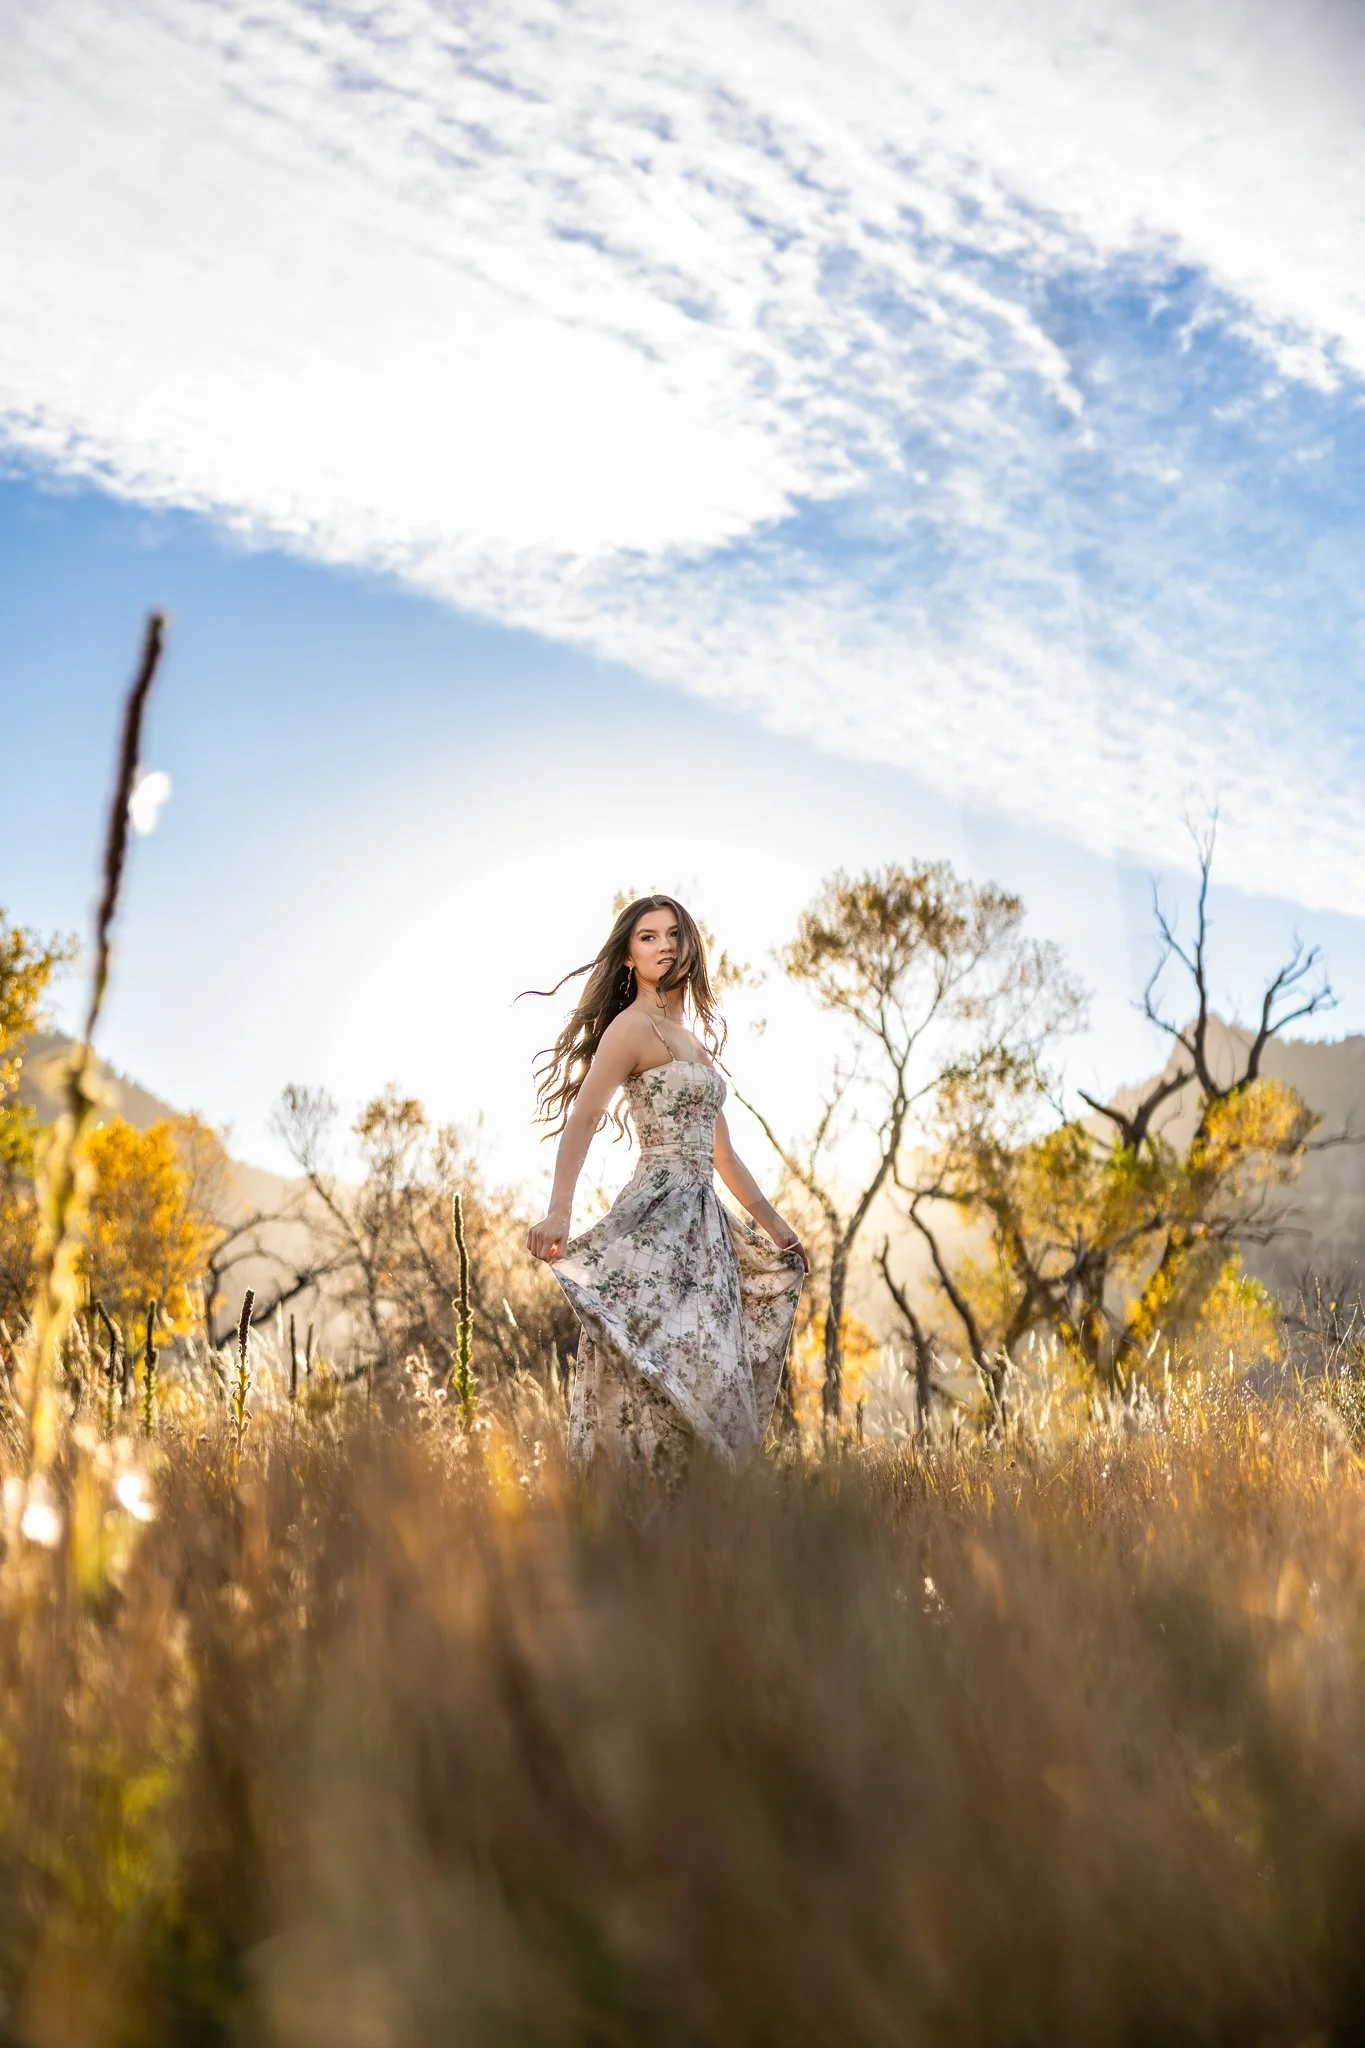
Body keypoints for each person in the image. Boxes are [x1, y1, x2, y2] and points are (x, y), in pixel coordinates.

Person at [526, 894, 808, 1479]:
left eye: (674, 935)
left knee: (711, 1367)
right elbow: (582, 1118)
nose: (664, 947)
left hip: (705, 1232)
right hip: (655, 1218)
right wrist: (559, 1212)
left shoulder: (694, 1042)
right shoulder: (630, 1028)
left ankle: (701, 1525)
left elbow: (724, 1155)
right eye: (648, 937)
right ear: (628, 957)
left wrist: (778, 1229)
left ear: (690, 946)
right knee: (651, 1367)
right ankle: (638, 1517)